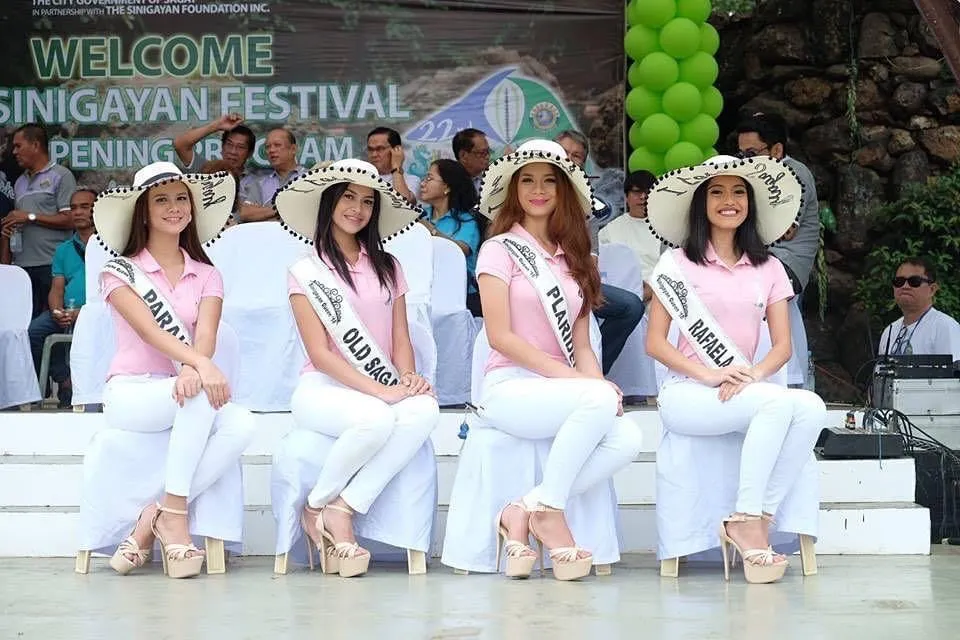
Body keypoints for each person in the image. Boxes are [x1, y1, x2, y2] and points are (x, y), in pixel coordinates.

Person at [644, 154, 827, 584]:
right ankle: (745, 518)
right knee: (777, 407)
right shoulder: (675, 264)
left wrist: (752, 375)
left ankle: (755, 517)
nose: (730, 200)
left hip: (744, 387)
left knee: (813, 407)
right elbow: (655, 343)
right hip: (689, 391)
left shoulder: (770, 267)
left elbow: (782, 346)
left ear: (751, 203)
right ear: (701, 203)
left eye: (739, 191)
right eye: (718, 191)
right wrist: (710, 374)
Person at [471, 139, 643, 580]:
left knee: (627, 437)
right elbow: (500, 336)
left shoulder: (578, 258)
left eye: (550, 180)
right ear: (513, 190)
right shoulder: (498, 250)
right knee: (599, 402)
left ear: (565, 189)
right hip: (509, 384)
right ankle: (548, 513)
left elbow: (584, 344)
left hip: (560, 387)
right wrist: (583, 386)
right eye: (527, 180)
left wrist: (593, 383)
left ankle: (527, 507)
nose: (538, 189)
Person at [274, 159, 440, 578]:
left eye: (367, 201)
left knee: (424, 409)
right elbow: (321, 351)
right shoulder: (306, 270)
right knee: (376, 419)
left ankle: (337, 506)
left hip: (379, 384)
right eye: (348, 196)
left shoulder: (389, 266)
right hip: (323, 388)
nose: (357, 208)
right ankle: (320, 509)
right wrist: (380, 391)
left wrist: (407, 378)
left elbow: (400, 338)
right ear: (329, 201)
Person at [93, 161, 256, 578]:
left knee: (241, 424)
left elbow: (207, 336)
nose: (174, 207)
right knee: (200, 393)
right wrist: (198, 367)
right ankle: (176, 523)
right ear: (143, 211)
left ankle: (159, 514)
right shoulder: (119, 270)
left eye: (181, 198)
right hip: (132, 393)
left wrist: (193, 366)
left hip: (182, 388)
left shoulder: (208, 274)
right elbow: (149, 332)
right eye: (161, 199)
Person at [737, 113, 818, 388]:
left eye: (751, 153)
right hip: (760, 257)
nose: (745, 160)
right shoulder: (751, 173)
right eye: (740, 153)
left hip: (788, 262)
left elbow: (786, 230)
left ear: (777, 150)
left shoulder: (796, 173)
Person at [556, 130, 644, 375]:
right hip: (537, 284)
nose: (570, 160)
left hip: (577, 281)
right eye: (564, 153)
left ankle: (591, 369)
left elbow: (591, 254)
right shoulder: (534, 195)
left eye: (577, 157)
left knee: (630, 306)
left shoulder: (585, 203)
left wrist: (586, 284)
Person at [27, 188, 97, 407]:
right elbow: (57, 289)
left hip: (98, 312)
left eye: (84, 207)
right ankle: (64, 381)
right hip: (67, 310)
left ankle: (85, 390)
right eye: (74, 207)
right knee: (34, 332)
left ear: (98, 209)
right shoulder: (63, 250)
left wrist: (82, 312)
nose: (77, 212)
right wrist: (57, 310)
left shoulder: (112, 245)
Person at [1, 124, 77, 317]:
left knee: (55, 320)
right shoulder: (19, 182)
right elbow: (20, 222)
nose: (14, 152)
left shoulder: (61, 175)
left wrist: (30, 217)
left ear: (35, 145)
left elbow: (70, 220)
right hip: (22, 267)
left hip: (52, 265)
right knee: (26, 323)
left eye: (18, 146)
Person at [417, 159, 484, 316]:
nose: (422, 183)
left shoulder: (467, 220)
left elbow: (461, 250)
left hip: (462, 300)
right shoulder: (421, 216)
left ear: (446, 187)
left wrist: (431, 231)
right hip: (428, 297)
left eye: (429, 178)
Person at [173, 114, 258, 219]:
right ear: (222, 147)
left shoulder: (256, 183)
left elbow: (247, 214)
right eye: (229, 144)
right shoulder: (206, 170)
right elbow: (180, 145)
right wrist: (217, 126)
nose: (233, 151)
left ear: (250, 153)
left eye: (240, 147)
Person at [878, 258, 960, 364]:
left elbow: (954, 377)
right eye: (899, 282)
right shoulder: (890, 331)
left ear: (932, 289)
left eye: (914, 281)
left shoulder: (945, 327)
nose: (905, 286)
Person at [599, 170, 660, 302]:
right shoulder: (610, 231)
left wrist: (652, 289)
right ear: (626, 197)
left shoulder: (666, 230)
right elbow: (602, 271)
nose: (643, 196)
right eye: (637, 192)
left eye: (648, 191)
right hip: (622, 300)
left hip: (661, 296)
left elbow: (674, 269)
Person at [239, 127, 305, 223]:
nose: (271, 150)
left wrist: (264, 212)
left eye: (277, 145)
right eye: (267, 147)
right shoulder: (260, 183)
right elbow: (245, 214)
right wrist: (282, 209)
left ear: (293, 149)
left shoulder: (310, 177)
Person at [365, 127, 420, 205]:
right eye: (370, 149)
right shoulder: (362, 178)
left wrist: (396, 167)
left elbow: (403, 205)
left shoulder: (412, 180)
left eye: (380, 148)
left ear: (397, 150)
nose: (374, 154)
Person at [452, 128, 490, 195]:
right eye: (482, 153)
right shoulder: (448, 183)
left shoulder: (493, 178)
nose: (487, 157)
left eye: (488, 151)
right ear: (463, 156)